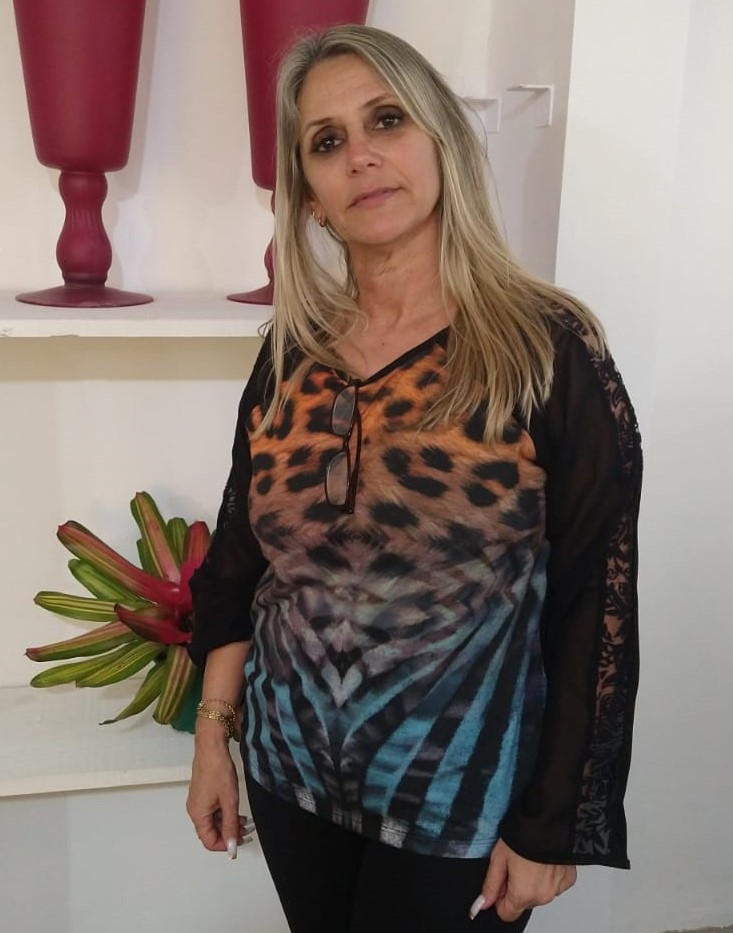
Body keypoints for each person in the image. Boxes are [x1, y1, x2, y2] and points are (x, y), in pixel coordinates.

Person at [186, 24, 642, 933]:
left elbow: (595, 602)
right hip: (289, 778)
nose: (361, 155)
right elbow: (239, 565)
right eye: (326, 141)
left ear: (440, 142)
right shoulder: (291, 356)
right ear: (311, 199)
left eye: (386, 120)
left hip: (457, 805)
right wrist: (213, 737)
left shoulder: (545, 352)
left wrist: (552, 823)